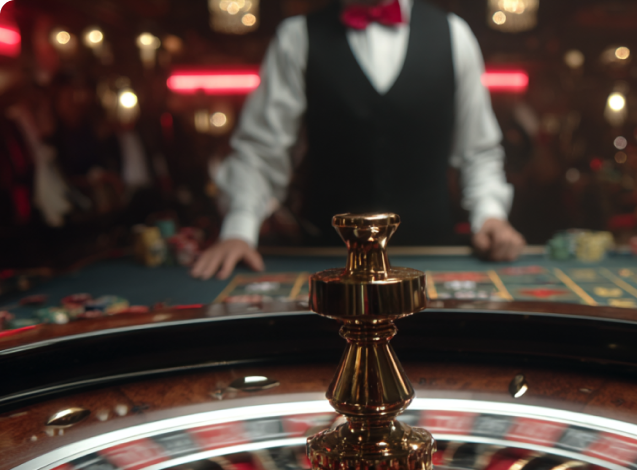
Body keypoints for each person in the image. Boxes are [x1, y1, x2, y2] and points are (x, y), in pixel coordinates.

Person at [192, 0, 526, 280]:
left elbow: (478, 151)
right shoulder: (296, 37)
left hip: (428, 257)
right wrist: (239, 230)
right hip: (327, 263)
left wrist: (490, 215)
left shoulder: (455, 35)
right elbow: (261, 152)